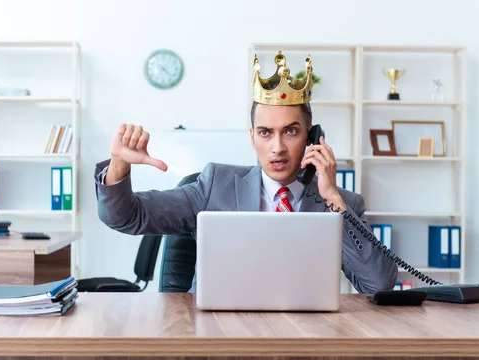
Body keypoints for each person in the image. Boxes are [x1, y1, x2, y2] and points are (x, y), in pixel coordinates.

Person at [94, 51, 398, 294]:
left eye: (290, 131)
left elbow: (379, 284)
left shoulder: (343, 204)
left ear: (311, 136)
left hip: (305, 341)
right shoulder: (215, 186)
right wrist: (119, 164)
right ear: (252, 137)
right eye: (266, 133)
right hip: (220, 337)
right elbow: (125, 217)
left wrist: (333, 198)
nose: (277, 147)